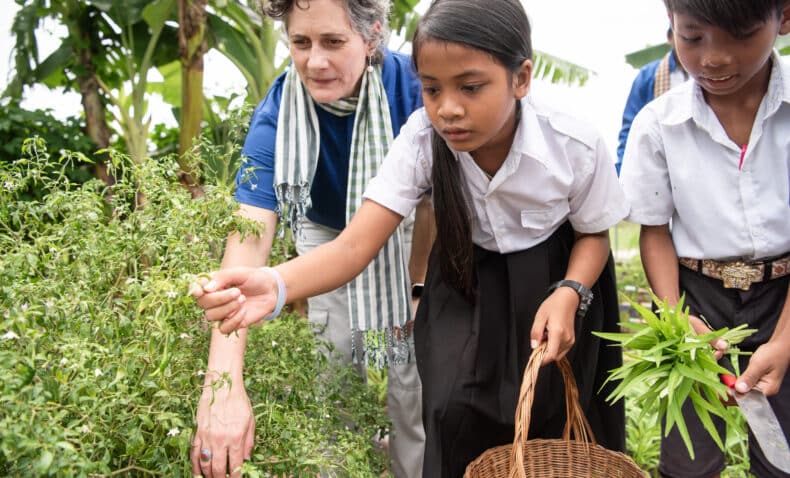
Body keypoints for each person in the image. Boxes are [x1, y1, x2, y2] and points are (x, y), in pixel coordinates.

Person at [193, 0, 628, 476]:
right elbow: (352, 246)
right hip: (449, 267)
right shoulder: (417, 135)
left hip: (545, 273)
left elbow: (592, 232)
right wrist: (273, 285)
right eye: (432, 89)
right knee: (448, 403)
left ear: (521, 79)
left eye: (471, 87)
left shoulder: (569, 143)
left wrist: (569, 290)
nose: (449, 108)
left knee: (549, 404)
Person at [188, 1, 434, 477]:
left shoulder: (414, 88)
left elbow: (436, 205)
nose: (314, 61)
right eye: (301, 42)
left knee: (416, 378)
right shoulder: (278, 114)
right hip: (324, 231)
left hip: (410, 226)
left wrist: (419, 286)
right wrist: (221, 389)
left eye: (334, 42)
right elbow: (247, 246)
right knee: (336, 370)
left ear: (373, 36)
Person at [619, 0, 790, 476]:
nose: (713, 58)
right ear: (670, 22)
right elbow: (654, 230)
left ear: (784, 18)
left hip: (786, 294)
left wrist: (784, 340)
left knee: (784, 453)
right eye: (692, 38)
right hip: (698, 297)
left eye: (739, 36)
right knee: (689, 454)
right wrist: (676, 319)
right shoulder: (657, 124)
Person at [616, 26, 688, 175]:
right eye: (685, 37)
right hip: (655, 163)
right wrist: (623, 171)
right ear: (670, 38)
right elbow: (629, 129)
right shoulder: (648, 76)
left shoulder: (705, 75)